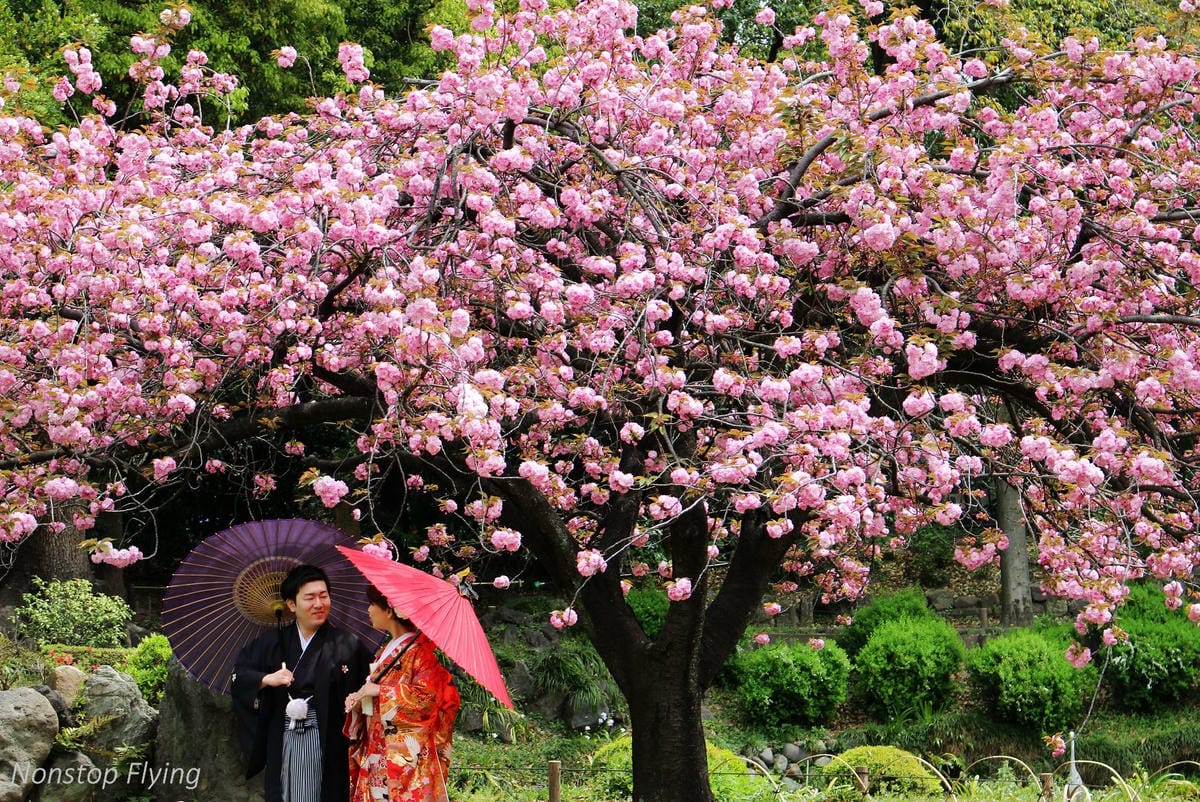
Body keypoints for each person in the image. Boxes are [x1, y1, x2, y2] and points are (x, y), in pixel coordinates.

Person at [232, 564, 373, 802]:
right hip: (284, 733)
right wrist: (267, 679)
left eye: (324, 595)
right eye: (310, 598)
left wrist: (360, 697)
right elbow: (240, 675)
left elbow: (369, 683)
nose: (319, 604)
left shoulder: (348, 645)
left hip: (330, 740)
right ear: (291, 604)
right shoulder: (271, 642)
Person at [343, 583, 461, 802]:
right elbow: (374, 694)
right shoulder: (386, 651)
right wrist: (360, 700)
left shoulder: (420, 653)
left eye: (371, 604)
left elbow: (426, 701)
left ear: (389, 610)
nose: (368, 610)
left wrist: (380, 690)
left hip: (403, 757)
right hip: (377, 747)